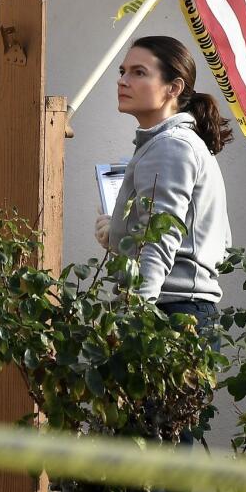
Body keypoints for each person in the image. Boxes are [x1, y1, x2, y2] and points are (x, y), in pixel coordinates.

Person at [94, 34, 232, 325]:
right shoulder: (178, 143)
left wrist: (136, 317)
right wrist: (119, 233)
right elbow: (217, 242)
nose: (123, 80)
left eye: (139, 72)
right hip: (182, 310)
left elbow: (160, 240)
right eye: (123, 71)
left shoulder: (170, 146)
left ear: (173, 87)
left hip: (168, 316)